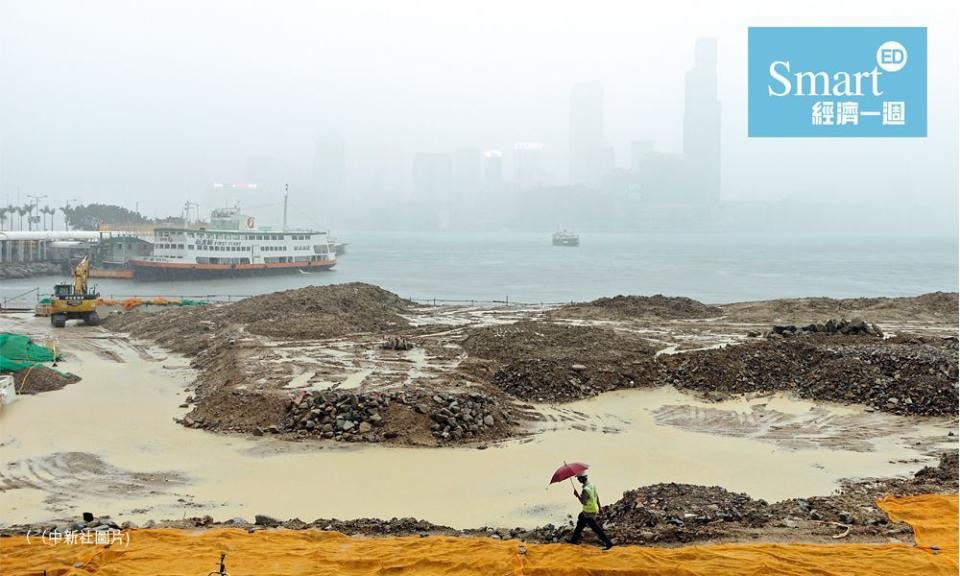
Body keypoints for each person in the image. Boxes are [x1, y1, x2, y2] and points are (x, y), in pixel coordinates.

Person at [567, 473, 613, 549]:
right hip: (593, 509)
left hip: (588, 511)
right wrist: (600, 507)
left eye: (579, 479)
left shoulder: (585, 490)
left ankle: (609, 543)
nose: (578, 480)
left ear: (582, 479)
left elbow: (583, 502)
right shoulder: (592, 485)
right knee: (580, 521)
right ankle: (573, 540)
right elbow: (596, 496)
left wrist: (577, 495)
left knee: (596, 528)